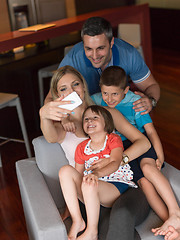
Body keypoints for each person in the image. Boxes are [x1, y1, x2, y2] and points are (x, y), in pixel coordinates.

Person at [39, 65, 151, 240]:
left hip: (124, 188)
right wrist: (44, 114)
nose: (72, 91)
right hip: (90, 195)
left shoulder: (107, 114)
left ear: (83, 87)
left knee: (121, 218)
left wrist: (116, 161)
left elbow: (144, 142)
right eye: (63, 88)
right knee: (111, 232)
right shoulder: (61, 128)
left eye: (76, 84)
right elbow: (50, 136)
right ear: (57, 96)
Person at [91, 65, 180, 238]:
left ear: (126, 90)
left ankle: (175, 211)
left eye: (115, 94)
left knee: (148, 168)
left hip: (140, 141)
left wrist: (160, 156)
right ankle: (172, 225)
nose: (109, 99)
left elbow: (151, 131)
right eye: (105, 93)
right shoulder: (95, 100)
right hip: (121, 149)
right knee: (144, 185)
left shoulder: (134, 102)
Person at [44, 16, 160, 115]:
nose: (94, 56)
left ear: (111, 43)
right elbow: (50, 98)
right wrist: (55, 114)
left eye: (100, 48)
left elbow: (152, 85)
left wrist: (151, 101)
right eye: (88, 49)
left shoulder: (128, 54)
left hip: (121, 114)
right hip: (89, 116)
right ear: (83, 44)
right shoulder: (73, 58)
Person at [59, 105, 139, 240]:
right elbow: (77, 174)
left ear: (106, 122)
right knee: (65, 171)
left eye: (95, 117)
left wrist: (96, 174)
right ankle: (78, 220)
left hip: (115, 185)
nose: (89, 121)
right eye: (86, 119)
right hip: (90, 189)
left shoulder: (113, 139)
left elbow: (115, 162)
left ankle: (92, 232)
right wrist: (68, 206)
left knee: (90, 183)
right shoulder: (82, 147)